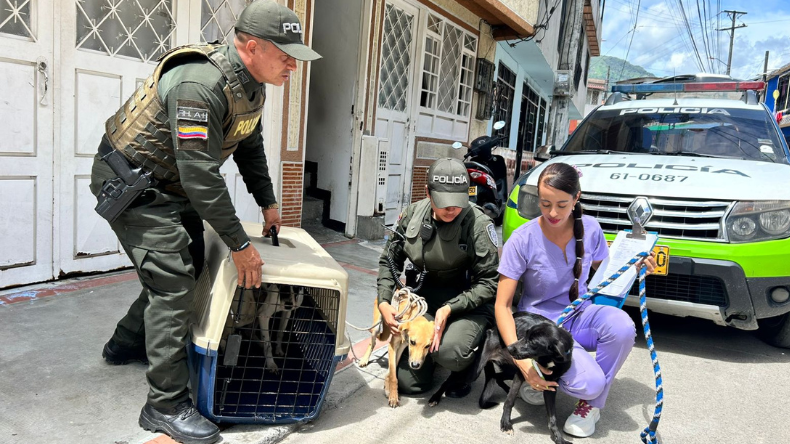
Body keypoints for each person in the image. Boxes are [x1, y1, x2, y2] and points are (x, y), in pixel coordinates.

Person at [88, 1, 320, 443]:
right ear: (252, 46)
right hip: (134, 185)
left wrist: (269, 202)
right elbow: (200, 174)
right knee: (173, 280)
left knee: (187, 265)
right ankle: (164, 405)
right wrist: (239, 243)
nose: (293, 64)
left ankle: (125, 343)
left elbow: (248, 144)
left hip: (170, 184)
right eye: (286, 54)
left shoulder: (252, 84)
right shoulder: (200, 83)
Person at [495, 162, 656, 438]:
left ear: (576, 198)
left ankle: (590, 405)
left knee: (622, 328)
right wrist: (521, 361)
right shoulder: (522, 239)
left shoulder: (591, 228)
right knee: (592, 382)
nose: (553, 213)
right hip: (542, 326)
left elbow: (609, 273)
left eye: (561, 204)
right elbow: (502, 305)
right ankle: (543, 376)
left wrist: (636, 266)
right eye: (545, 204)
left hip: (580, 315)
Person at [376, 157, 499, 397]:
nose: (451, 209)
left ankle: (466, 358)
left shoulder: (478, 224)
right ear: (428, 193)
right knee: (410, 385)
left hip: (466, 303)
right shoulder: (413, 214)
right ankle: (431, 352)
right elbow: (388, 261)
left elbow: (489, 282)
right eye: (443, 202)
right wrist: (383, 300)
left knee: (451, 353)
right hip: (424, 301)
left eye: (457, 201)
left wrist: (450, 308)